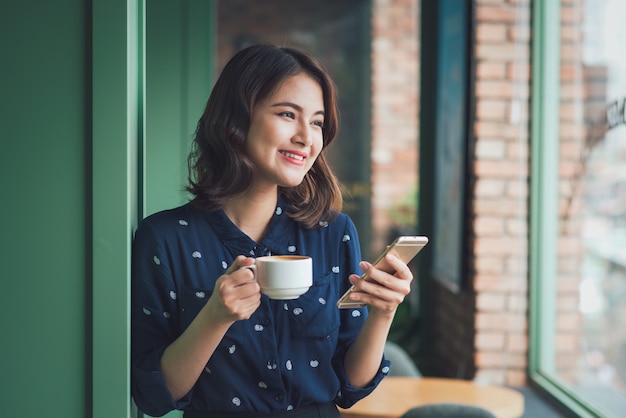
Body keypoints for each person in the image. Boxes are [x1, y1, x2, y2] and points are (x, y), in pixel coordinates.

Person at [131, 44, 414, 418]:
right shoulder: (165, 238)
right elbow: (156, 396)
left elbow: (351, 385)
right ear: (236, 119)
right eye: (287, 114)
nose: (306, 137)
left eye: (316, 122)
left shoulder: (333, 232)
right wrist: (215, 316)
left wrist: (383, 311)